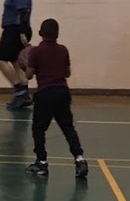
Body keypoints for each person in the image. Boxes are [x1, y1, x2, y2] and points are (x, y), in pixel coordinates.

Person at [22, 18, 87, 179]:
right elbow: (67, 73)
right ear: (57, 34)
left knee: (39, 129)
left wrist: (25, 65)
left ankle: (42, 163)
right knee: (67, 127)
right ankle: (80, 159)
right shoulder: (63, 50)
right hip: (63, 92)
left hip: (45, 94)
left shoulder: (36, 51)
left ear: (40, 33)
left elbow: (29, 75)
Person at [0, 0, 33, 111]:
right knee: (16, 63)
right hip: (11, 30)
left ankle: (20, 91)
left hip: (16, 30)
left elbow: (24, 12)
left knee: (0, 61)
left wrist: (22, 33)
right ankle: (24, 96)